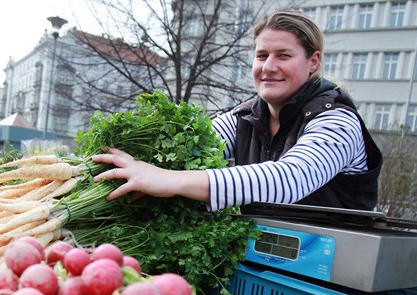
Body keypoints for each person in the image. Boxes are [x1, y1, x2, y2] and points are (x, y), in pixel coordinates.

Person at [92, 9, 382, 212]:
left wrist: (167, 179)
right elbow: (192, 149)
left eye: (283, 55)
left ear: (313, 62)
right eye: (262, 56)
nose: (268, 67)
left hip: (332, 275)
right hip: (263, 261)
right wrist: (125, 163)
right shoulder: (245, 117)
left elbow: (290, 178)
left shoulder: (337, 120)